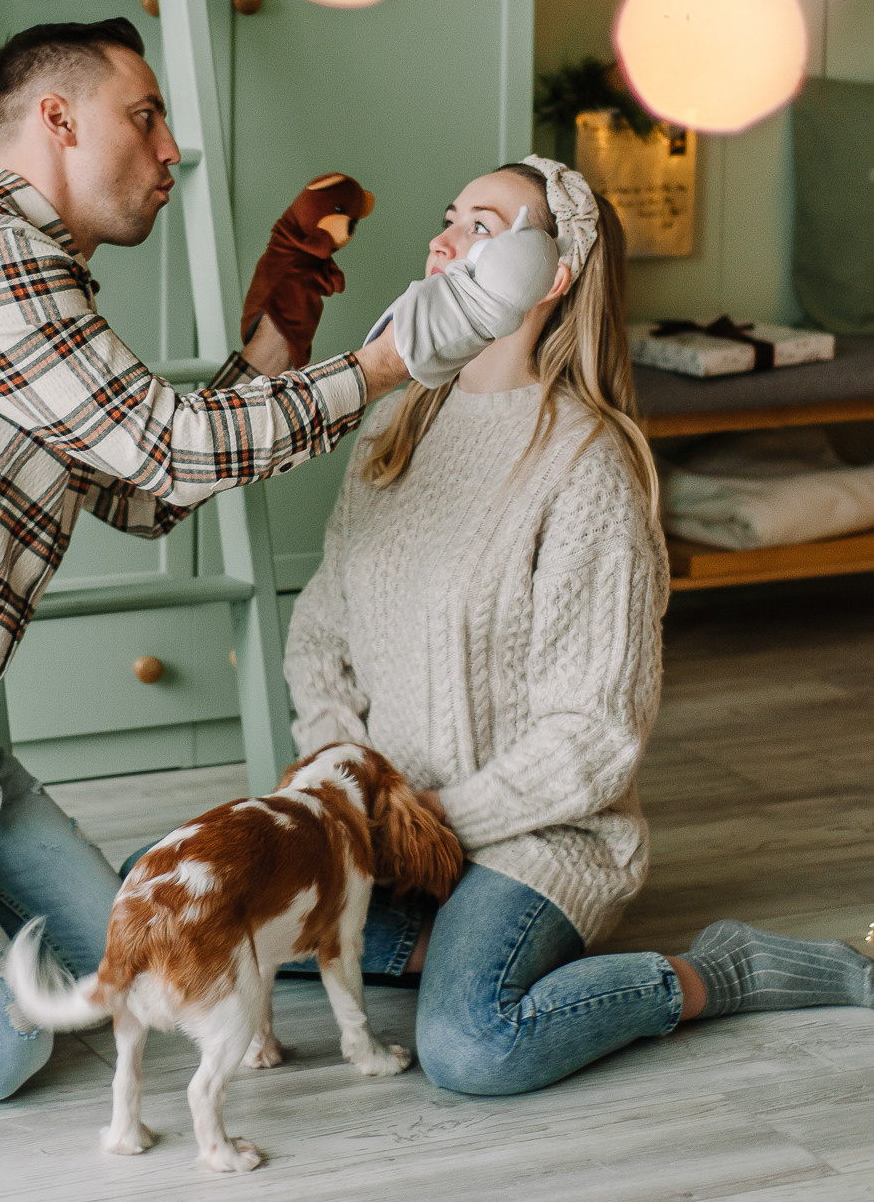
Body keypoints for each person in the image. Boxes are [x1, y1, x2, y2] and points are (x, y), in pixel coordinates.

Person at [0, 17, 553, 1097]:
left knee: (125, 969)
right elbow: (168, 447)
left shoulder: (39, 293)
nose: (171, 148)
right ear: (57, 119)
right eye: (144, 117)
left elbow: (146, 497)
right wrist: (385, 363)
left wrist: (276, 337)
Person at [284, 154, 874, 1095]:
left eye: (482, 227)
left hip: (534, 838)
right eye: (449, 215)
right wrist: (346, 798)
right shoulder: (391, 430)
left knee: (472, 1045)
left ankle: (723, 971)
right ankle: (437, 940)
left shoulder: (587, 465)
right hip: (389, 832)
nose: (443, 240)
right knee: (158, 883)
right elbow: (323, 635)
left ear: (553, 276)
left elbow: (595, 736)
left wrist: (436, 824)